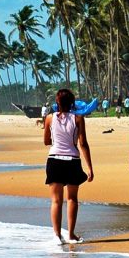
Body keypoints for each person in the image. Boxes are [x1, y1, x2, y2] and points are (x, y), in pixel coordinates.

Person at [44, 89, 94, 245]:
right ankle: (71, 235)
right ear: (73, 103)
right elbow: (83, 143)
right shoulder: (78, 118)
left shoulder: (49, 118)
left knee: (56, 201)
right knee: (72, 199)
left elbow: (46, 141)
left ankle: (57, 236)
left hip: (54, 160)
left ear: (56, 102)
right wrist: (90, 167)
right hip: (72, 160)